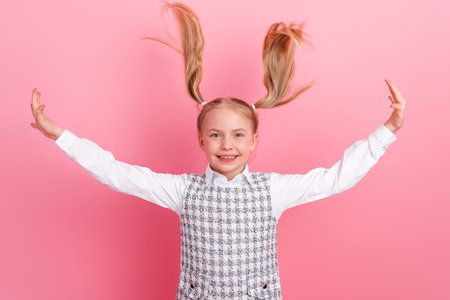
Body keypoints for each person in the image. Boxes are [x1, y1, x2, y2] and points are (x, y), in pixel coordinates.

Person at [30, 2, 406, 299]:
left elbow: (336, 178)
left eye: (239, 135)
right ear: (201, 140)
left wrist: (387, 129)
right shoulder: (183, 191)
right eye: (216, 135)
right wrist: (59, 135)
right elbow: (116, 173)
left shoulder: (272, 190)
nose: (227, 145)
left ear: (254, 141)